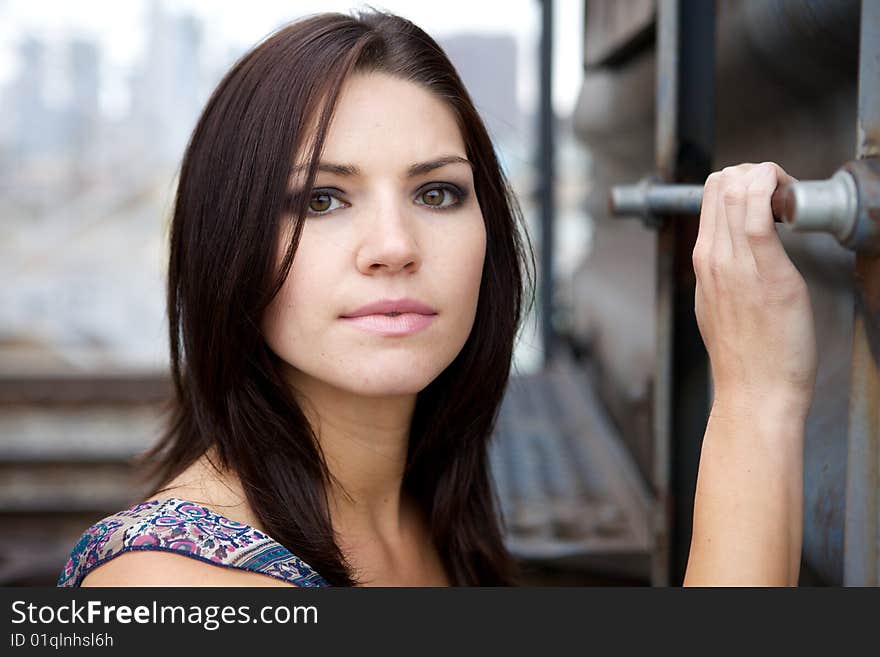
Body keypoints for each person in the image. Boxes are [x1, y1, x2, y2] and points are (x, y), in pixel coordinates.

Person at [57, 9, 816, 588]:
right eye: (322, 199)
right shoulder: (175, 579)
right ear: (229, 245)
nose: (395, 244)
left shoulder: (429, 514)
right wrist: (755, 397)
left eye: (437, 191)